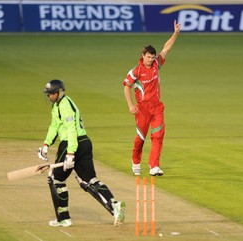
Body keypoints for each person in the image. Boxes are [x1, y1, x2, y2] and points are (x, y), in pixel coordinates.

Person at [37, 79, 125, 227]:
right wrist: (46, 144)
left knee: (56, 179)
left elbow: (71, 129)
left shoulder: (65, 106)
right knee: (89, 179)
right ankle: (114, 205)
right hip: (84, 142)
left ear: (59, 93)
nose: (49, 96)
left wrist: (70, 153)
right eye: (48, 94)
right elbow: (54, 126)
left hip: (72, 143)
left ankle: (63, 218)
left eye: (51, 93)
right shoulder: (58, 106)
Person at [123, 20, 181, 176]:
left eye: (152, 57)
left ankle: (154, 166)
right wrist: (130, 106)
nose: (151, 59)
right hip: (142, 109)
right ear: (143, 56)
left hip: (156, 107)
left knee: (158, 135)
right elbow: (126, 87)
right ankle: (135, 161)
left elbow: (166, 48)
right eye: (148, 57)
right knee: (140, 138)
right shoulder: (136, 71)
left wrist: (175, 34)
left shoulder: (156, 64)